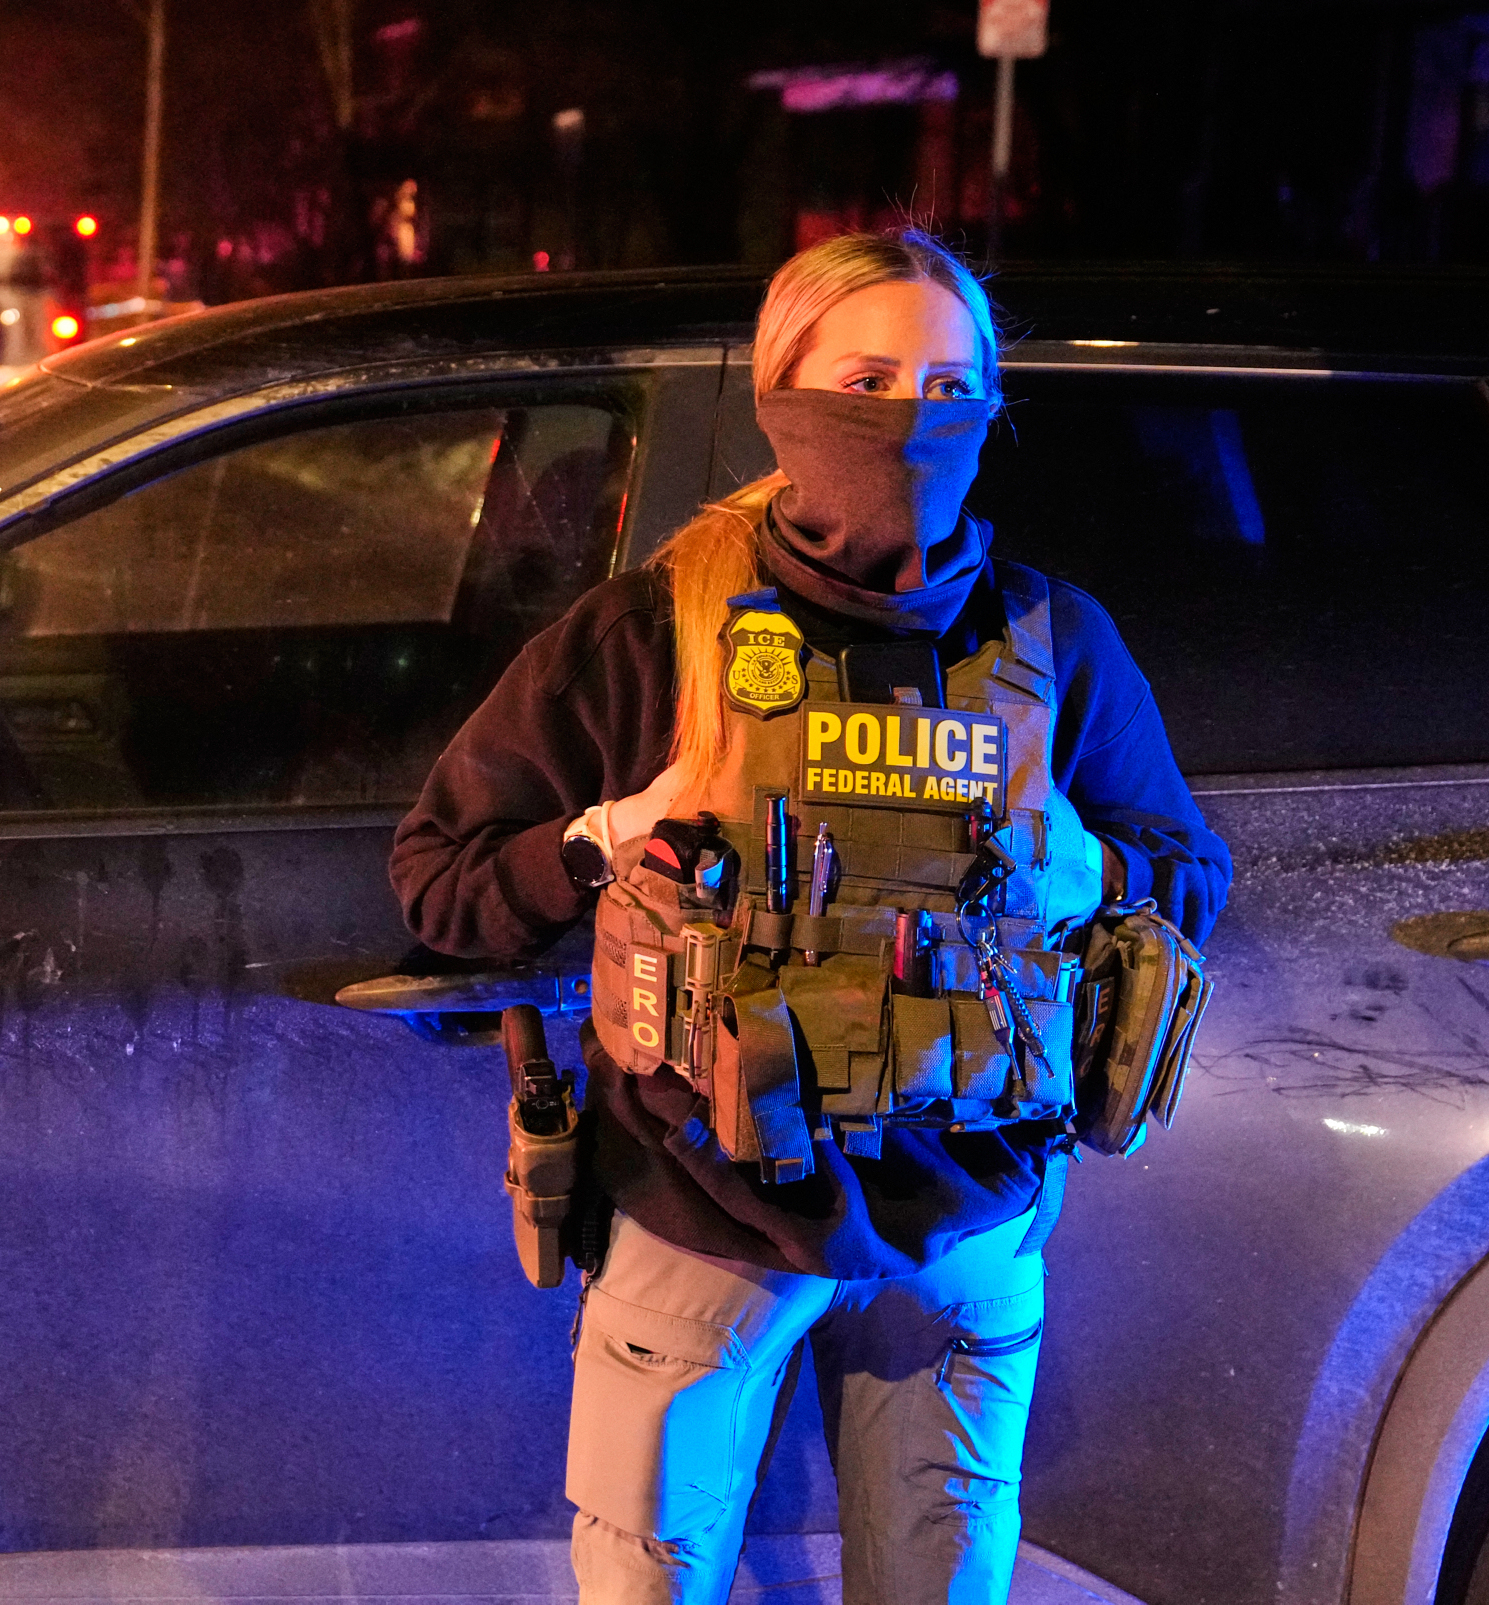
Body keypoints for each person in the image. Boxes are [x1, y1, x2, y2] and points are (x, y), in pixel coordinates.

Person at [390, 230, 1230, 1605]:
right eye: (868, 377)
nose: (910, 416)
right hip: (700, 1221)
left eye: (950, 386)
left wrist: (1097, 873)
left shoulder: (1053, 639)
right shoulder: (656, 629)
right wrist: (600, 844)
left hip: (966, 1229)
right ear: (784, 394)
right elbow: (441, 875)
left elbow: (1186, 872)